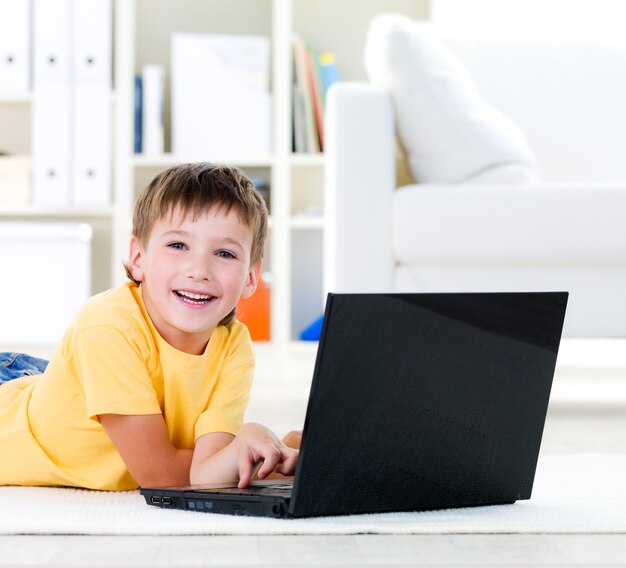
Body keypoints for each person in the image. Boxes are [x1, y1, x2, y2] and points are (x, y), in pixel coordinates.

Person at [0, 163, 298, 491]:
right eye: (178, 246)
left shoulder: (234, 346)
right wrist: (267, 463)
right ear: (138, 258)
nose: (199, 270)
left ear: (251, 278)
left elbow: (206, 471)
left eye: (225, 253)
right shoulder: (106, 328)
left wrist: (256, 449)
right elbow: (162, 476)